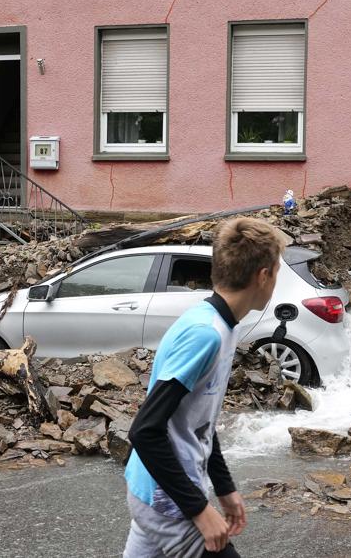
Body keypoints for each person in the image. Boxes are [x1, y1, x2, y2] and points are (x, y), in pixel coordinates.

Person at [123, 217, 284, 557]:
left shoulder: (222, 324)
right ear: (263, 276)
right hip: (165, 498)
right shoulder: (205, 334)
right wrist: (200, 510)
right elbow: (145, 430)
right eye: (277, 272)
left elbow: (198, 422)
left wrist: (223, 487)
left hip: (155, 486)